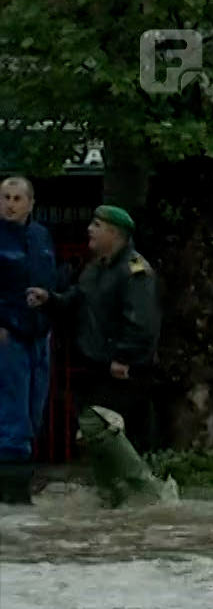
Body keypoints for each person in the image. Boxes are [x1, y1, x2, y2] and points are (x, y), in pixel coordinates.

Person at [25, 205, 160, 454]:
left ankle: (140, 488)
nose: (90, 230)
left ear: (115, 234)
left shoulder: (134, 270)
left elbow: (140, 320)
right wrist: (50, 300)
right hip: (99, 364)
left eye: (97, 226)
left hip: (124, 371)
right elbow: (77, 299)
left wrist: (123, 357)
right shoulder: (97, 267)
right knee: (102, 437)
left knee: (122, 438)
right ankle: (115, 488)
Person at [0, 176, 56, 503]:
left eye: (17, 198)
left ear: (30, 203)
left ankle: (22, 483)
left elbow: (51, 276)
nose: (10, 204)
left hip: (39, 332)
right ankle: (12, 493)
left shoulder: (41, 236)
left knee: (34, 410)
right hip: (9, 332)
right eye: (5, 197)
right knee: (12, 413)